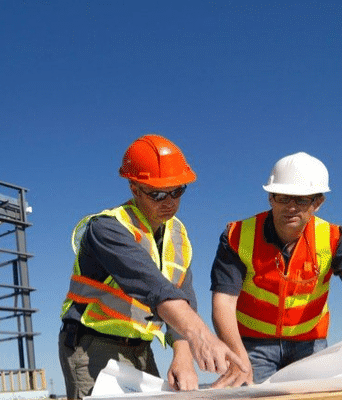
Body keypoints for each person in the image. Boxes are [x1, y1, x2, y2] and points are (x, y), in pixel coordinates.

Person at [210, 151, 342, 387]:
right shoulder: (236, 236)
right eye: (283, 197)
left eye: (301, 200)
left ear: (318, 203)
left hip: (309, 344)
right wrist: (237, 356)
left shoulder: (335, 239)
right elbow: (224, 302)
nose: (291, 207)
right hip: (251, 344)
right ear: (270, 197)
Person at [58, 134, 246, 399]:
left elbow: (183, 296)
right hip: (91, 344)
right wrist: (200, 336)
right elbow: (154, 288)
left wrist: (182, 355)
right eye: (157, 193)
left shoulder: (177, 234)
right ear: (134, 189)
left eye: (177, 191)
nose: (169, 202)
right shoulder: (107, 229)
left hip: (140, 348)